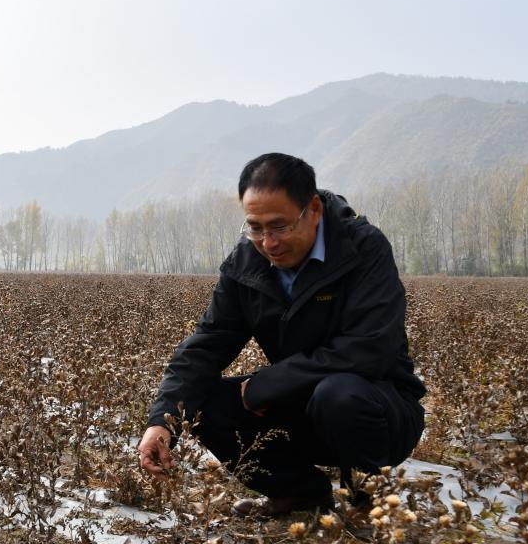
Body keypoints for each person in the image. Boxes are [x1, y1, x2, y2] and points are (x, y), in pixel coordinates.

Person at [137, 152, 425, 516]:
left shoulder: (363, 250)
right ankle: (300, 492)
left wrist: (266, 385)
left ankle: (367, 491)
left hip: (379, 409)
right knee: (204, 403)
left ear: (314, 210)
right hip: (302, 407)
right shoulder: (246, 264)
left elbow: (370, 350)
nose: (268, 242)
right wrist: (162, 422)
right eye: (255, 228)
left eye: (280, 226)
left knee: (338, 395)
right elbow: (205, 347)